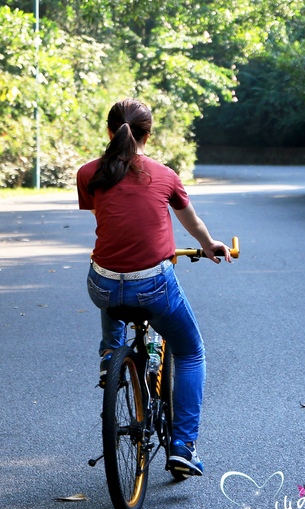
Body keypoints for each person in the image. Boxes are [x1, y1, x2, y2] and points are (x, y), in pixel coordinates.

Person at [76, 98, 232, 479]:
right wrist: (210, 244)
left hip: (104, 285)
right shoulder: (165, 175)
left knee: (110, 276)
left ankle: (111, 353)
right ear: (149, 134)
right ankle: (182, 446)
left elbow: (110, 219)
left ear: (109, 131)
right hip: (153, 285)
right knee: (191, 352)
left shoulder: (88, 173)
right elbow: (189, 220)